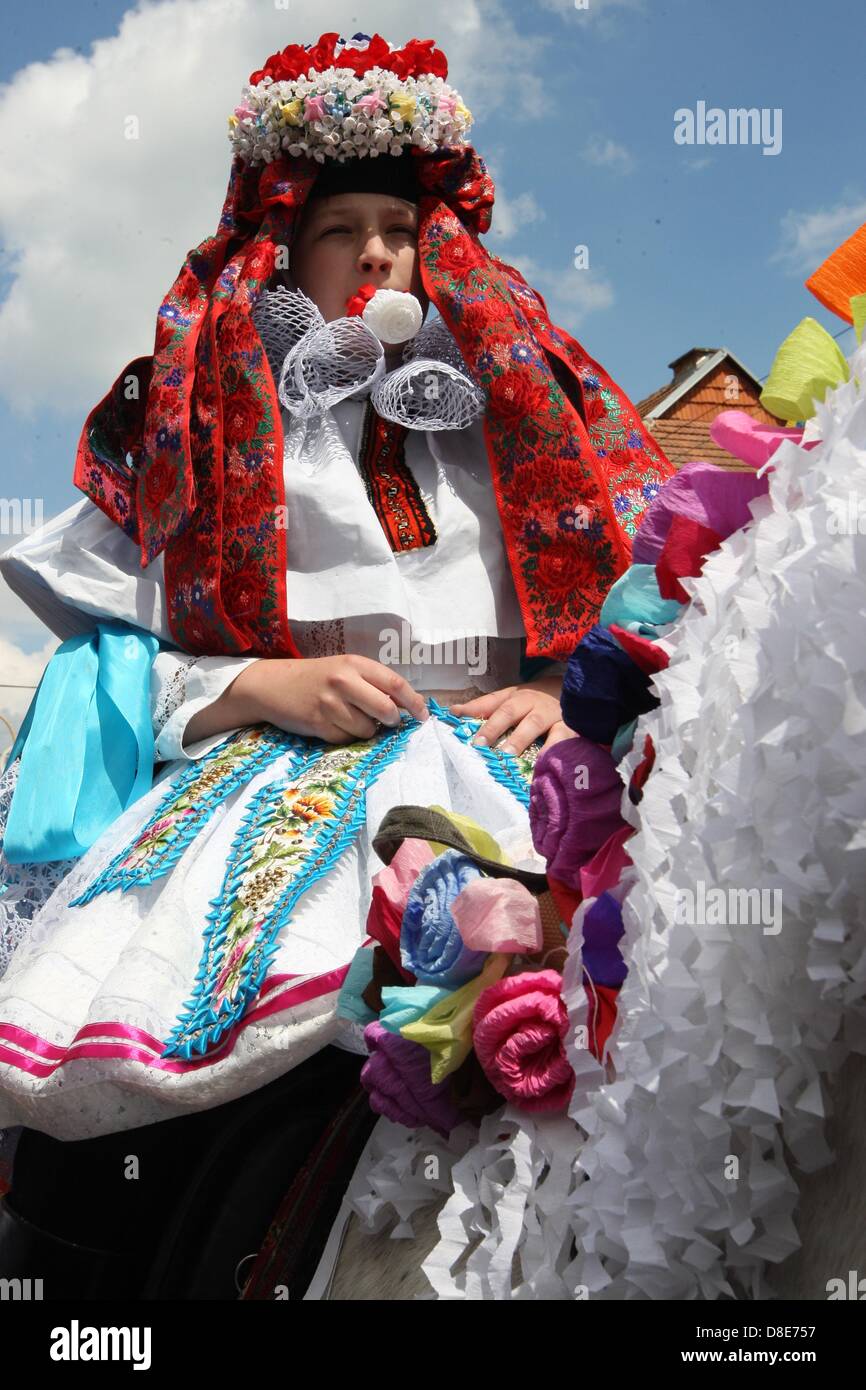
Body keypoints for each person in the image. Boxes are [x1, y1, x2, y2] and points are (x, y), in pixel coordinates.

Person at [0, 30, 673, 1290]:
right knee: (170, 1099)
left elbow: (620, 612)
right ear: (281, 254)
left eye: (397, 230)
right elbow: (100, 669)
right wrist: (260, 684)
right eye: (338, 228)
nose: (373, 250)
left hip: (509, 783)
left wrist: (544, 688)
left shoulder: (524, 430)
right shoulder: (197, 431)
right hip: (270, 786)